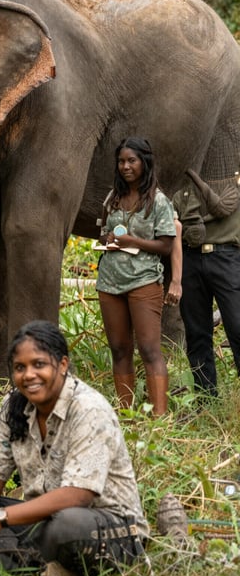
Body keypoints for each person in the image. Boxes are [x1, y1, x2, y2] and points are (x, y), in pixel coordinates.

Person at [0, 321, 148, 576]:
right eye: (20, 368)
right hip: (40, 521)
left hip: (105, 525)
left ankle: (8, 561)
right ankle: (46, 569)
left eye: (39, 364)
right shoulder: (15, 406)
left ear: (61, 364)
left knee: (67, 525)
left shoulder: (88, 408)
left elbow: (78, 496)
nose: (29, 375)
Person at [96, 137, 177, 415]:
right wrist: (108, 238)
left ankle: (159, 418)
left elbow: (166, 245)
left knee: (149, 349)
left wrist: (133, 241)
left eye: (132, 161)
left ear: (145, 162)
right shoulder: (113, 198)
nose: (126, 166)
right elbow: (106, 231)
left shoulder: (158, 201)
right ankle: (127, 415)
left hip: (143, 280)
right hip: (109, 282)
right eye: (121, 161)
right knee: (119, 349)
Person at [172, 167, 240, 397]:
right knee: (197, 332)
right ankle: (205, 398)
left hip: (226, 256)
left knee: (237, 325)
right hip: (190, 258)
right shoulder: (182, 183)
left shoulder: (233, 179)